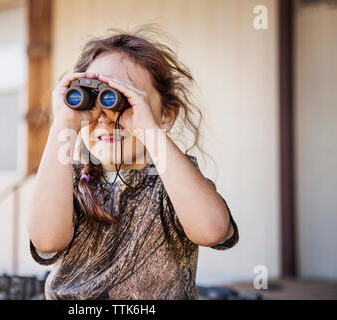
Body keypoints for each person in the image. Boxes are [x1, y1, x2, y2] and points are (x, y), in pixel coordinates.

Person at [27, 28, 239, 300]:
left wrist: (148, 130)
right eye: (95, 97)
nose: (106, 116)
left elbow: (212, 230)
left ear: (166, 115)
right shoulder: (69, 181)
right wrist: (64, 124)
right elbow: (46, 240)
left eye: (123, 99)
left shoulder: (173, 180)